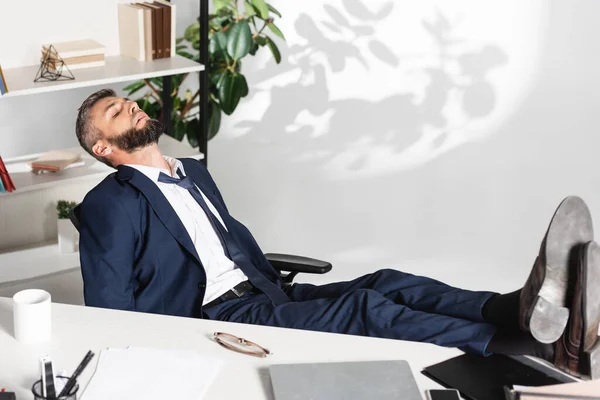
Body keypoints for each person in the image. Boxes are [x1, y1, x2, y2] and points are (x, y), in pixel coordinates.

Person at [75, 89, 599, 378]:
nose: (132, 105)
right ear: (104, 149)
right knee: (364, 309)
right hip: (217, 316)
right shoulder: (109, 204)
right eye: (115, 112)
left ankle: (515, 308)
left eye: (127, 100)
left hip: (264, 292)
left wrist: (269, 284)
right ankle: (525, 348)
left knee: (387, 281)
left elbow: (228, 245)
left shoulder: (192, 170)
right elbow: (107, 304)